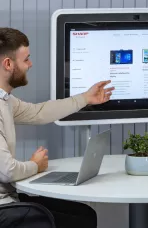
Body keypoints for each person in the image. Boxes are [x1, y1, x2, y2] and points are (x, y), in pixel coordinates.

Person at [0, 27, 115, 227]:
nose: (31, 64)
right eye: (26, 59)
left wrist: (85, 98)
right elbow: (8, 171)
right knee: (78, 222)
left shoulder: (5, 101)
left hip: (10, 199)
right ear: (8, 64)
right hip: (3, 208)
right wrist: (36, 165)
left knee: (84, 215)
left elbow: (38, 112)